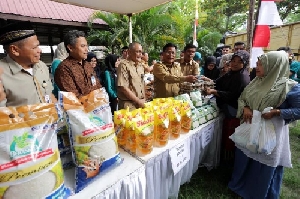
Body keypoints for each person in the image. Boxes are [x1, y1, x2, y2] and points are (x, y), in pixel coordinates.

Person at [229, 51, 300, 199]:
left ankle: (257, 192)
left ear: (274, 66)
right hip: (250, 127)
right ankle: (240, 185)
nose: (257, 67)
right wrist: (246, 108)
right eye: (258, 63)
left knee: (263, 158)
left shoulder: (290, 87)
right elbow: (243, 97)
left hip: (271, 131)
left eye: (261, 64)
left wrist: (277, 112)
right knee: (246, 153)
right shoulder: (256, 81)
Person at [203, 50, 250, 162]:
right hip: (225, 104)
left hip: (233, 108)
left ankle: (227, 157)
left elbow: (232, 95)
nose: (234, 63)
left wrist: (214, 92)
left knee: (228, 134)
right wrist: (208, 81)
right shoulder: (231, 72)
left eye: (239, 62)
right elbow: (218, 81)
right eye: (233, 60)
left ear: (245, 63)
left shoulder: (241, 77)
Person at [0, 21, 56, 107]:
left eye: (38, 46)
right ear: (15, 50)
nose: (40, 51)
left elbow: (50, 95)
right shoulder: (2, 74)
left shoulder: (41, 66)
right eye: (34, 47)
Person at [54, 30, 101, 98]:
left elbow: (97, 86)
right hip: (81, 107)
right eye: (82, 46)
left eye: (86, 46)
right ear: (70, 48)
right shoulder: (64, 69)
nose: (86, 49)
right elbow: (73, 97)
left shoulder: (87, 65)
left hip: (97, 106)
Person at [117, 42, 145, 111]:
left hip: (141, 104)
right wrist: (138, 101)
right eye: (138, 52)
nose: (140, 54)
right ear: (129, 52)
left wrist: (143, 99)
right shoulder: (123, 65)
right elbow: (123, 88)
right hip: (129, 106)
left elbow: (142, 84)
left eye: (141, 52)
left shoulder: (140, 66)